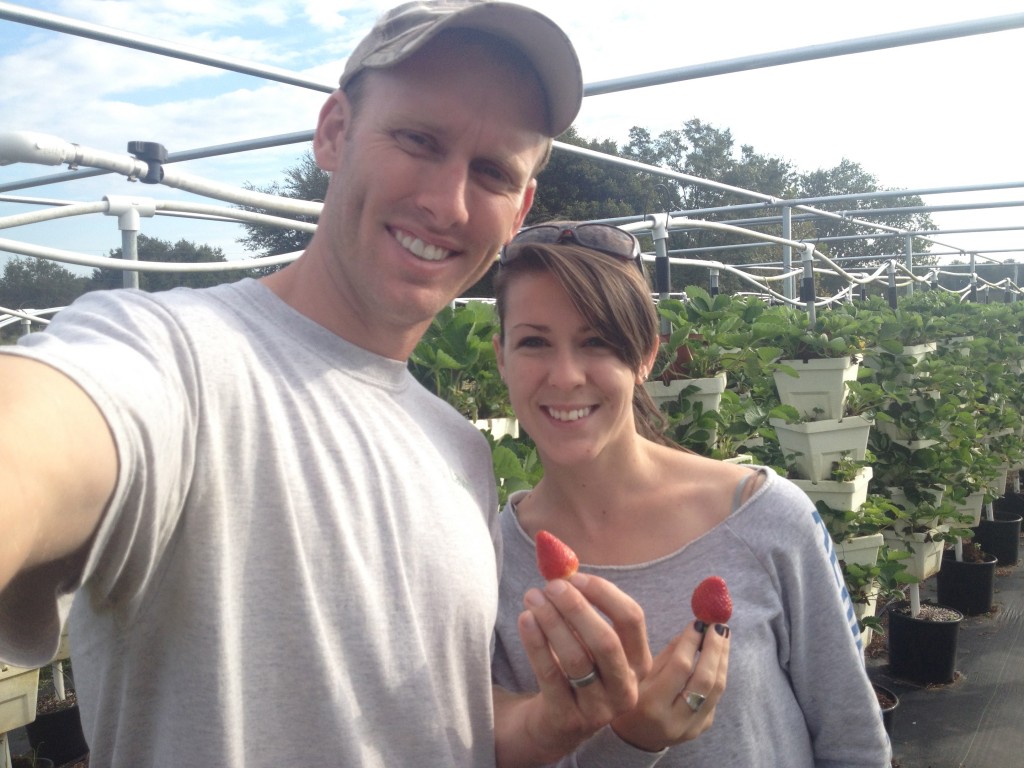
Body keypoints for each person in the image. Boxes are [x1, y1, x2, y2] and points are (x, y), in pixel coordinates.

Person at [0, 5, 649, 766]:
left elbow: (436, 722)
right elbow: (40, 432)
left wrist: (555, 722)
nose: (448, 203)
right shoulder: (180, 360)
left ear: (520, 210)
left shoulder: (460, 451)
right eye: (418, 140)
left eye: (493, 172)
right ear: (334, 133)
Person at [490, 223, 893, 766]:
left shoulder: (765, 517)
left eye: (598, 342)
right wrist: (631, 741)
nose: (564, 376)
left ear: (646, 356)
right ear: (500, 356)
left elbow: (853, 741)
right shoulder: (490, 559)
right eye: (534, 342)